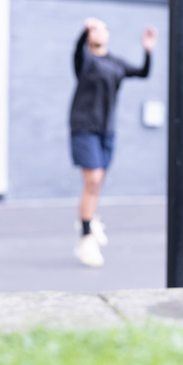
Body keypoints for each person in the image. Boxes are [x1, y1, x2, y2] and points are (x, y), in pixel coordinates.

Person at [69, 18, 157, 267]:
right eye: (93, 30)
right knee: (93, 180)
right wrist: (83, 30)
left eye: (102, 28)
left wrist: (148, 49)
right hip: (84, 127)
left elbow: (143, 72)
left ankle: (90, 218)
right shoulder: (85, 60)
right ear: (88, 35)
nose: (98, 32)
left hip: (106, 131)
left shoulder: (115, 63)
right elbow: (77, 49)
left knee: (98, 183)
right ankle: (85, 237)